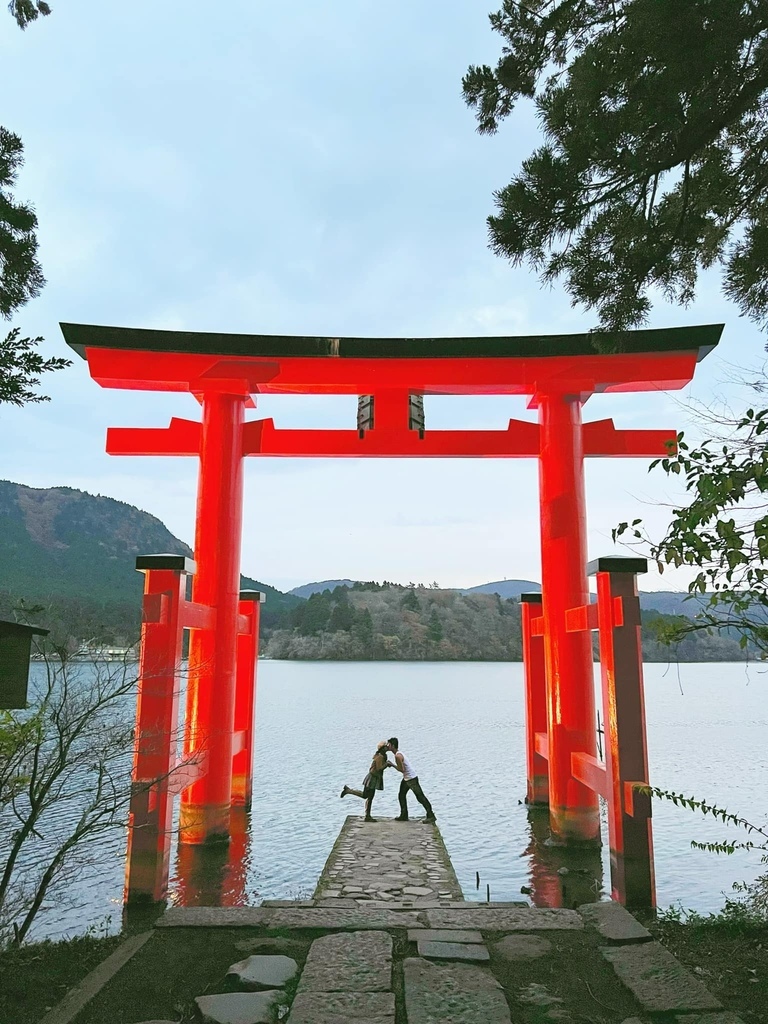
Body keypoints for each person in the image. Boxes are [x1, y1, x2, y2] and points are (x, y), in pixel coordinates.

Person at [386, 737, 436, 823]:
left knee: (420, 797)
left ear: (393, 746)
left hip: (411, 779)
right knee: (401, 795)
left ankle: (431, 815)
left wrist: (392, 765)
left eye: (389, 745)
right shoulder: (398, 753)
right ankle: (404, 815)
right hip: (407, 778)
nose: (387, 746)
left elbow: (401, 770)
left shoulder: (398, 756)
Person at [340, 741, 390, 821]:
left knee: (366, 796)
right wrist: (387, 764)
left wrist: (386, 763)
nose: (387, 747)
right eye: (386, 746)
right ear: (382, 748)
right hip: (372, 778)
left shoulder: (383, 756)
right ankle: (367, 816)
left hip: (374, 778)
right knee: (369, 797)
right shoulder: (380, 757)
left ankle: (349, 791)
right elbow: (379, 768)